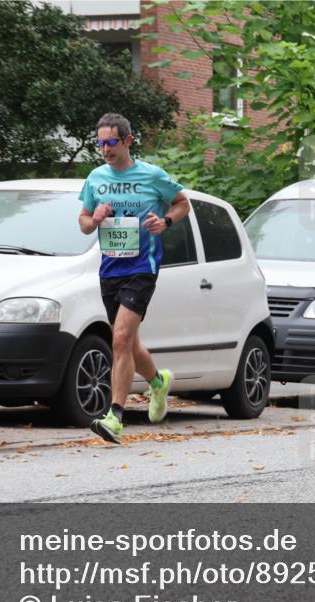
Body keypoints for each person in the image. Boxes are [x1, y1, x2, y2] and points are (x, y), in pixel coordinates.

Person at [78, 112, 190, 444]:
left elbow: (183, 203)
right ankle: (158, 382)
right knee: (129, 343)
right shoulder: (95, 178)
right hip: (110, 270)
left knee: (119, 339)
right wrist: (94, 218)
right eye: (100, 143)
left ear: (128, 141)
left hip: (142, 268)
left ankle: (115, 416)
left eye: (111, 142)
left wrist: (166, 222)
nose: (105, 150)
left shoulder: (152, 176)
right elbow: (83, 222)